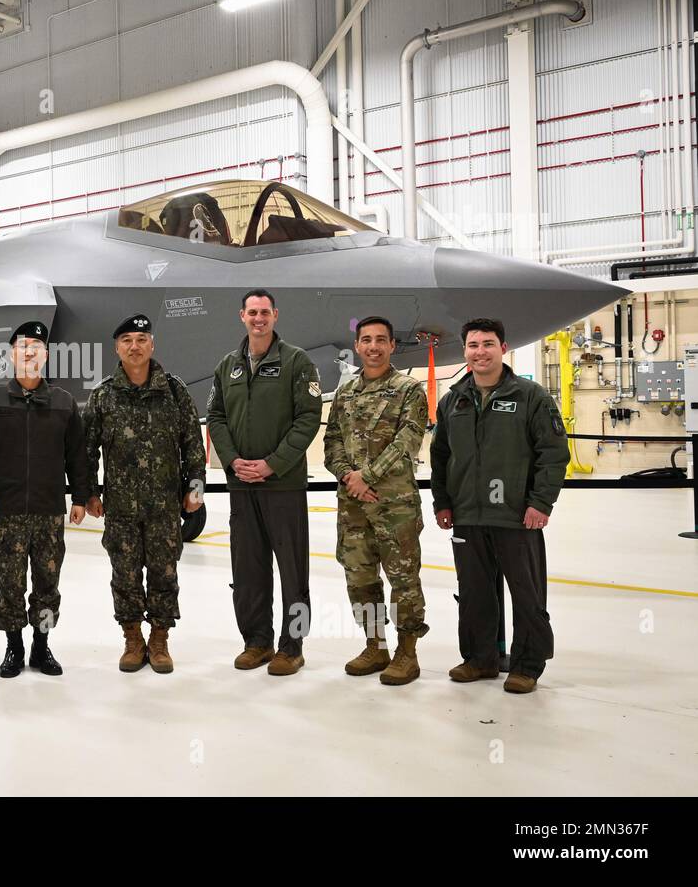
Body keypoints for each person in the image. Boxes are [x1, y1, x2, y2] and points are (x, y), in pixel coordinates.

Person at [430, 317, 569, 694]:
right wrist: (442, 501)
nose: (480, 352)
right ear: (465, 351)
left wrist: (540, 503)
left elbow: (553, 454)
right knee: (473, 592)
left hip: (516, 516)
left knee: (526, 594)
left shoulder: (531, 396)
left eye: (488, 344)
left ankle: (526, 665)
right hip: (467, 516)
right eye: (473, 345)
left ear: (503, 349)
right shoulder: (453, 400)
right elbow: (440, 456)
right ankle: (480, 659)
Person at [207, 289, 322, 675]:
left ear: (275, 316)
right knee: (248, 570)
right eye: (252, 312)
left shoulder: (296, 362)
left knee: (294, 572)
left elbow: (308, 419)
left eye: (265, 312)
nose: (259, 318)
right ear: (241, 315)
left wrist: (273, 464)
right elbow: (216, 417)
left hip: (283, 485)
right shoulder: (228, 366)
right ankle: (256, 642)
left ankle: (293, 646)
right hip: (242, 485)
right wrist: (233, 461)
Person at [84, 314, 205, 674]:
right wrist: (90, 492)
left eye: (141, 339)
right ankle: (133, 638)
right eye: (127, 341)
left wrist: (195, 488)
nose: (134, 346)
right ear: (116, 349)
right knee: (124, 574)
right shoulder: (103, 394)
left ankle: (160, 639)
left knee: (165, 573)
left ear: (152, 344)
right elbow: (87, 449)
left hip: (165, 506)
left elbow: (193, 444)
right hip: (120, 508)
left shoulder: (173, 390)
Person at [0, 320, 90, 678]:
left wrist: (80, 496)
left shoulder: (63, 403)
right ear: (12, 355)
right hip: (7, 513)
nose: (30, 352)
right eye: (23, 347)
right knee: (10, 585)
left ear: (47, 355)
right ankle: (14, 647)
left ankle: (41, 646)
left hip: (49, 511)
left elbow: (77, 455)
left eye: (37, 347)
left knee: (48, 586)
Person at [323, 316, 430, 686]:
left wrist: (364, 477)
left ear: (391, 346)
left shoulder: (409, 389)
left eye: (380, 340)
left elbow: (407, 442)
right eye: (366, 340)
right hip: (353, 507)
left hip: (394, 505)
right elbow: (331, 442)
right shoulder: (346, 392)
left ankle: (407, 652)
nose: (373, 346)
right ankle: (375, 645)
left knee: (403, 579)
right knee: (360, 578)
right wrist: (349, 480)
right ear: (357, 346)